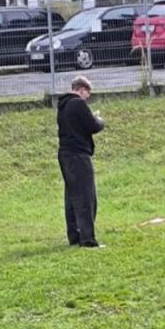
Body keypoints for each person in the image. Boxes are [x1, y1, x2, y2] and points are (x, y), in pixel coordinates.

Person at [57, 74, 104, 247]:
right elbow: (93, 126)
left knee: (71, 196)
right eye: (87, 94)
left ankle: (74, 235)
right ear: (82, 90)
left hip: (65, 154)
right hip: (78, 155)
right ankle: (88, 239)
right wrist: (100, 120)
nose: (87, 98)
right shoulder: (78, 103)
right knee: (86, 196)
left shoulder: (63, 105)